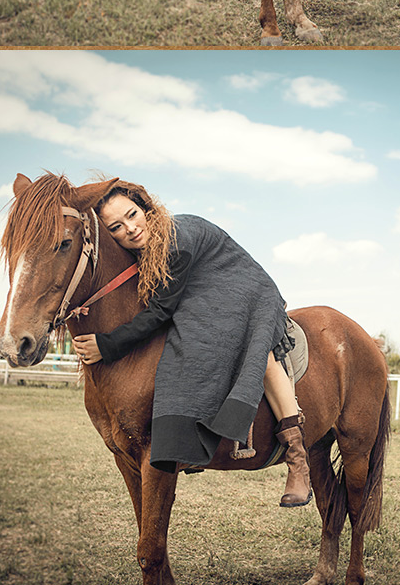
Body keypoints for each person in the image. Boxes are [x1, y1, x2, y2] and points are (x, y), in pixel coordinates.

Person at [72, 180, 311, 508]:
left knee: (257, 351)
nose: (129, 228)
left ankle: (297, 460)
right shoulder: (141, 250)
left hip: (244, 291)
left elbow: (161, 309)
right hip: (201, 295)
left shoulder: (175, 241)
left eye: (132, 214)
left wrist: (109, 344)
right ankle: (189, 437)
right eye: (116, 226)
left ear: (145, 207)